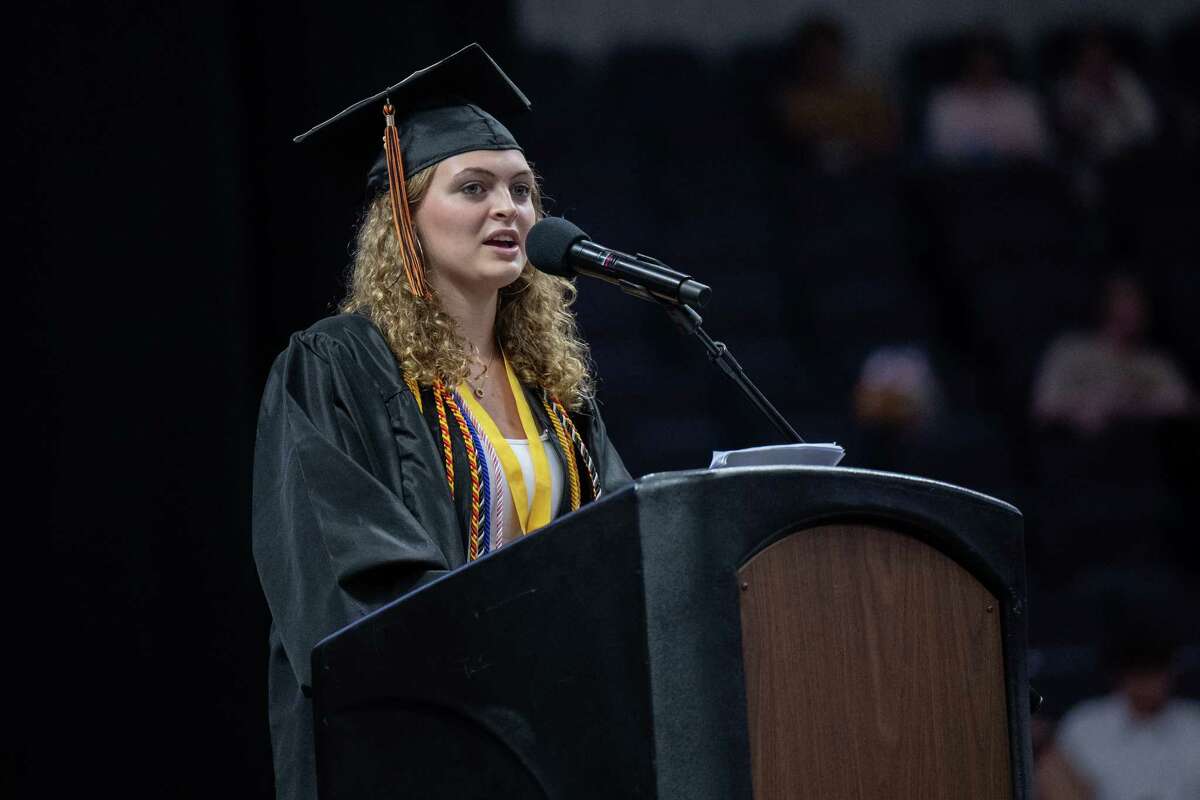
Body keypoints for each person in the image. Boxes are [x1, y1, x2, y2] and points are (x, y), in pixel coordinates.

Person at [251, 44, 631, 800]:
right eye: (473, 187)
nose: (509, 209)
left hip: (549, 744)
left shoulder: (554, 386)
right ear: (404, 214)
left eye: (523, 190)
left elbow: (621, 541)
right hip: (413, 748)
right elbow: (346, 579)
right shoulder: (335, 369)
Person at [1037, 628, 1200, 799]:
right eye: (1138, 672)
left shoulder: (1194, 722)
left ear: (1170, 672)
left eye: (1154, 672)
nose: (1147, 684)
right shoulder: (1084, 724)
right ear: (1121, 675)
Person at [1032, 273, 1193, 435]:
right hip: (1080, 446)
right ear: (1107, 303)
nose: (1132, 308)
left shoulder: (1154, 362)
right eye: (1124, 299)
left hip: (1140, 445)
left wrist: (1128, 406)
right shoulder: (1072, 350)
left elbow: (1182, 404)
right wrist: (1084, 407)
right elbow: (1045, 407)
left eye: (1137, 302)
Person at [925, 33, 1050, 162]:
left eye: (988, 62)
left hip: (1015, 175)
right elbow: (939, 151)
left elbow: (1038, 147)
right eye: (976, 63)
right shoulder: (945, 102)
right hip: (959, 177)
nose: (983, 69)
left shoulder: (1021, 100)